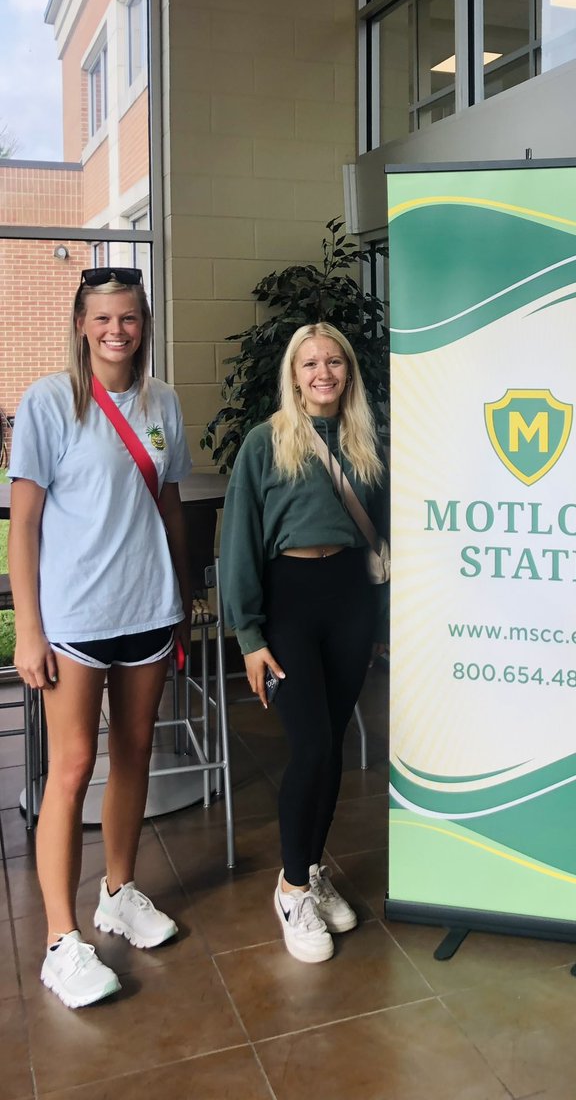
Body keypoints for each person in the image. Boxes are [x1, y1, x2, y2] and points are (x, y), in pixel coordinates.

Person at [9, 266, 190, 1008]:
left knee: (137, 750)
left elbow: (170, 504)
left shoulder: (162, 402)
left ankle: (119, 892)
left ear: (144, 323)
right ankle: (60, 939)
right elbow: (22, 524)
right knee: (74, 764)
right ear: (81, 325)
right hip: (76, 619)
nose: (116, 330)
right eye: (102, 318)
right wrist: (29, 629)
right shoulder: (50, 401)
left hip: (148, 608)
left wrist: (184, 594)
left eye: (129, 318)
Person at [220, 321, 388, 963]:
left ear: (348, 372)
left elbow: (382, 542)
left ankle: (312, 869)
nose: (323, 373)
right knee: (311, 747)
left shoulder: (365, 443)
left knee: (334, 746)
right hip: (288, 601)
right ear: (293, 375)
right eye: (310, 363)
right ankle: (291, 888)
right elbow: (238, 541)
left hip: (349, 599)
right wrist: (250, 637)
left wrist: (377, 622)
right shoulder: (266, 444)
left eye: (334, 362)